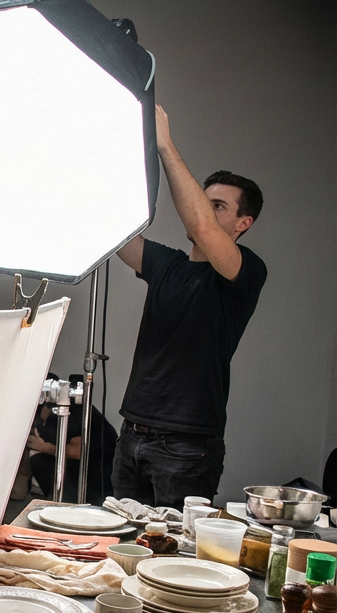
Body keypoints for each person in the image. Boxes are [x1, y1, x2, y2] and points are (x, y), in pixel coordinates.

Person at [113, 104, 266, 509]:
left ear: (242, 224)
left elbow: (200, 226)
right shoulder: (169, 265)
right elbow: (112, 232)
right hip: (132, 434)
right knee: (125, 553)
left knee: (175, 564)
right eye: (204, 199)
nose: (203, 209)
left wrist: (164, 144)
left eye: (218, 205)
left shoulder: (244, 271)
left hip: (186, 446)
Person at [27, 373, 118, 504]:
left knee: (39, 458)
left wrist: (43, 447)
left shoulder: (75, 411)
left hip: (98, 475)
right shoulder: (60, 411)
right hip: (89, 467)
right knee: (37, 456)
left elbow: (78, 452)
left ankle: (63, 501)